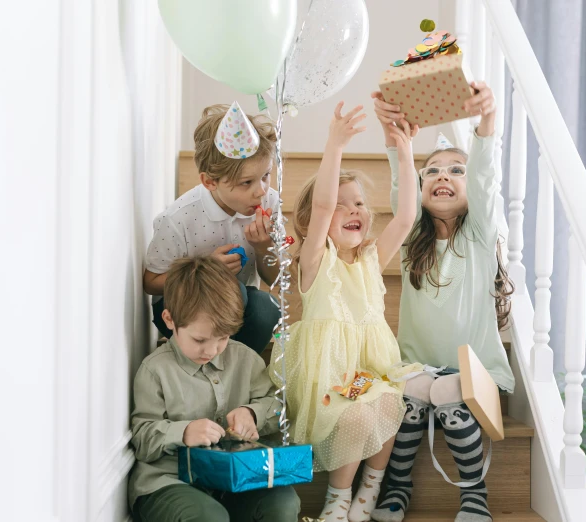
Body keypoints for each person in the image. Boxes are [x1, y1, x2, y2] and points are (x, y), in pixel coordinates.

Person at [370, 82, 515, 522]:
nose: (443, 177)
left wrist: (487, 122)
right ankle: (396, 488)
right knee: (412, 390)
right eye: (432, 171)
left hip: (476, 373)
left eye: (456, 171)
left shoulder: (479, 235)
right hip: (417, 368)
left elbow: (486, 175)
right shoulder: (413, 235)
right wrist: (398, 138)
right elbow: (402, 188)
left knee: (451, 389)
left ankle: (474, 496)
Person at [269, 102, 418, 522]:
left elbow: (406, 217)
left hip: (370, 370)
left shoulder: (371, 259)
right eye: (344, 203)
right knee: (353, 417)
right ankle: (337, 498)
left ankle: (369, 491)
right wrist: (334, 144)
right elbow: (321, 207)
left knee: (389, 405)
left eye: (360, 204)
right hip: (328, 376)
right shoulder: (317, 260)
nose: (355, 209)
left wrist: (405, 156)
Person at [128, 256, 300, 522]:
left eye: (222, 338)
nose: (210, 350)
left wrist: (252, 413)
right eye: (199, 339)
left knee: (283, 502)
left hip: (235, 480)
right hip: (169, 482)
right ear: (170, 320)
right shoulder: (155, 370)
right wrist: (183, 432)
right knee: (209, 517)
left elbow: (277, 406)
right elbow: (142, 438)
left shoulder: (245, 359)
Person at [143, 102, 280, 353]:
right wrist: (204, 270)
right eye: (246, 182)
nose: (261, 190)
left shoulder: (269, 202)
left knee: (266, 307)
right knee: (230, 289)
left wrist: (264, 248)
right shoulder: (178, 218)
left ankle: (235, 368)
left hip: (241, 309)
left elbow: (275, 279)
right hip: (179, 310)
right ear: (209, 182)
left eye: (265, 175)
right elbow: (150, 282)